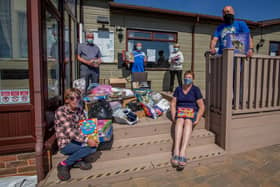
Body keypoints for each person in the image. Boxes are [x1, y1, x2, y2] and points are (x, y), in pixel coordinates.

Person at [55, 88, 98, 181]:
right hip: (66, 144)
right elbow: (71, 132)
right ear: (66, 100)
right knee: (91, 148)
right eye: (72, 98)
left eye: (77, 97)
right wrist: (87, 140)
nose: (76, 100)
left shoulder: (80, 110)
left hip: (77, 140)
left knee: (94, 145)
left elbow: (85, 127)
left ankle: (76, 161)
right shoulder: (61, 111)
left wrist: (94, 136)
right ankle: (64, 164)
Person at [170, 70, 205, 170]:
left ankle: (183, 151)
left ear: (193, 79)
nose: (187, 79)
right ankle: (176, 149)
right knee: (180, 120)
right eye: (185, 77)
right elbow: (173, 103)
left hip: (191, 111)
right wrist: (173, 116)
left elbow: (201, 106)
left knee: (188, 121)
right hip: (180, 111)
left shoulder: (195, 90)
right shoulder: (178, 89)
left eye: (189, 77)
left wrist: (198, 118)